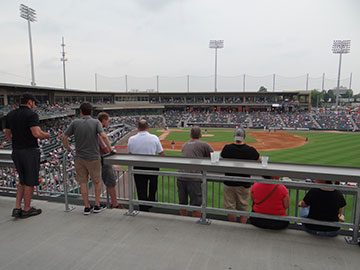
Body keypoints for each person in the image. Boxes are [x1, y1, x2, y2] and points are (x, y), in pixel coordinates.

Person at [5, 93, 50, 218]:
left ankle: (17, 207)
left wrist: (16, 142)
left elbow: (7, 134)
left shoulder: (10, 114)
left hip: (16, 151)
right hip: (29, 151)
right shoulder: (31, 114)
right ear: (30, 102)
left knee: (22, 180)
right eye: (34, 103)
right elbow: (36, 133)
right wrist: (46, 135)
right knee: (29, 181)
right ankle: (27, 209)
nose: (34, 105)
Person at [62, 102, 112, 215]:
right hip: (93, 157)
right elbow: (103, 136)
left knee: (83, 183)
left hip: (79, 157)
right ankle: (97, 205)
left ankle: (86, 207)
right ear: (91, 112)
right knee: (97, 182)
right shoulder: (95, 122)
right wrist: (110, 149)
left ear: (80, 111)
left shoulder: (75, 122)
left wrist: (69, 148)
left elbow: (64, 137)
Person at [220, 127, 261, 223]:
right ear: (244, 137)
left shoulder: (227, 148)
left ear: (234, 136)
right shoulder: (250, 150)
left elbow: (222, 156)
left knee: (230, 208)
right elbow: (260, 160)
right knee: (244, 209)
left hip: (229, 182)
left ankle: (233, 228)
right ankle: (242, 227)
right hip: (244, 183)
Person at [127, 119, 165, 212]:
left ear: (137, 128)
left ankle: (143, 207)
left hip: (138, 165)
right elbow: (161, 153)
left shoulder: (131, 139)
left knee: (141, 187)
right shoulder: (154, 137)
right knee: (153, 185)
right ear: (148, 127)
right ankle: (150, 203)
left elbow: (130, 154)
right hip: (152, 164)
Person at [177, 126, 213, 217]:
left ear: (190, 135)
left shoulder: (185, 144)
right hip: (194, 177)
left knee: (182, 203)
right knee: (196, 205)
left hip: (181, 176)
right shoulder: (204, 144)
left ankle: (183, 222)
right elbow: (214, 157)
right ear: (200, 135)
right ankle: (194, 224)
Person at [97, 112, 123, 209]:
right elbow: (105, 148)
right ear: (103, 121)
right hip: (104, 160)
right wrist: (111, 151)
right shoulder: (99, 132)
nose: (108, 123)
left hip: (96, 160)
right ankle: (114, 204)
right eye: (107, 121)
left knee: (99, 182)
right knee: (110, 182)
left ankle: (99, 203)